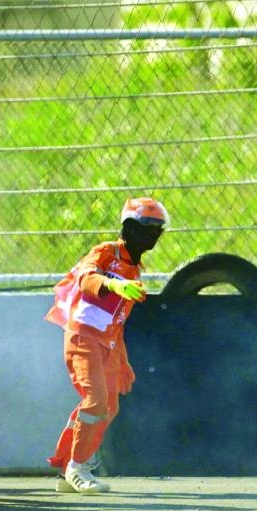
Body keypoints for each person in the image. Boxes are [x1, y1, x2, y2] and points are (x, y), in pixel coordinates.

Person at [45, 196, 168, 493]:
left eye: (157, 229)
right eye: (147, 227)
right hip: (83, 337)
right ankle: (78, 466)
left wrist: (122, 362)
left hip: (108, 343)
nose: (152, 235)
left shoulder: (135, 270)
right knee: (96, 401)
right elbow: (86, 279)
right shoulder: (106, 251)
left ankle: (66, 466)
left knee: (108, 406)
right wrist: (114, 284)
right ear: (129, 228)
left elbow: (117, 322)